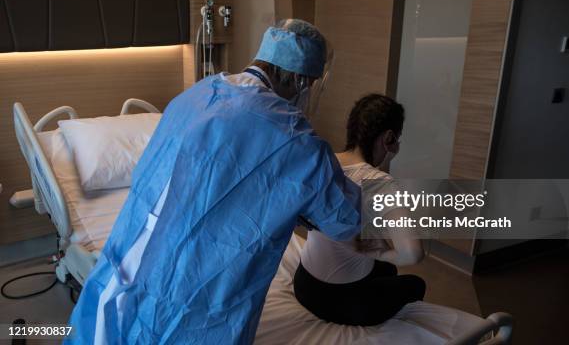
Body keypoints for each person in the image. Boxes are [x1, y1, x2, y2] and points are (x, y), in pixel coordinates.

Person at [67, 19, 361, 344]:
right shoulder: (295, 140)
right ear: (298, 77)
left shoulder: (194, 95)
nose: (305, 94)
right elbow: (345, 220)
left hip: (126, 266)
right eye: (308, 84)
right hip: (198, 299)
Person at [294, 94, 425, 326]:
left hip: (304, 284)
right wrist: (379, 253)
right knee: (415, 283)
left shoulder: (325, 163)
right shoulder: (380, 183)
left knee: (388, 270)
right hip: (342, 301)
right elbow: (413, 254)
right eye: (397, 140)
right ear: (388, 138)